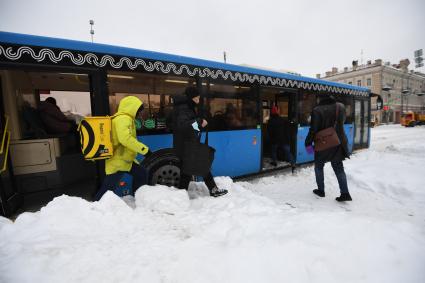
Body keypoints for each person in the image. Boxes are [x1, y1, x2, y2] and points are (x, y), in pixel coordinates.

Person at [172, 87, 228, 197]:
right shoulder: (184, 108)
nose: (198, 101)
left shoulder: (185, 107)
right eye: (196, 98)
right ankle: (212, 189)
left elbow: (187, 126)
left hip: (186, 144)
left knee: (188, 170)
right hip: (186, 145)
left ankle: (180, 196)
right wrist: (199, 121)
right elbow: (184, 125)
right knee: (201, 164)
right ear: (190, 98)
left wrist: (197, 125)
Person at [95, 96, 152, 200]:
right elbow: (125, 139)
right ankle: (95, 206)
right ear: (132, 108)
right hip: (118, 160)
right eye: (138, 110)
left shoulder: (125, 118)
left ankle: (139, 197)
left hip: (125, 159)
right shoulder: (123, 119)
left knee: (141, 173)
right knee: (108, 189)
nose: (139, 113)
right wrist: (144, 150)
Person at [305, 94, 352, 202]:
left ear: (320, 99)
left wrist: (308, 142)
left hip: (323, 143)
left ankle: (321, 191)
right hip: (338, 142)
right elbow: (342, 121)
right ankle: (345, 193)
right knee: (338, 167)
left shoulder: (317, 110)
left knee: (318, 166)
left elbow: (313, 129)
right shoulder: (340, 107)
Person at [267, 105, 295, 170]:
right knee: (287, 151)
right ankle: (293, 163)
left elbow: (269, 131)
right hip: (283, 139)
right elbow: (287, 128)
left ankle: (274, 162)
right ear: (277, 112)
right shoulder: (283, 120)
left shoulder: (270, 121)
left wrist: (270, 138)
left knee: (273, 150)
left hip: (275, 140)